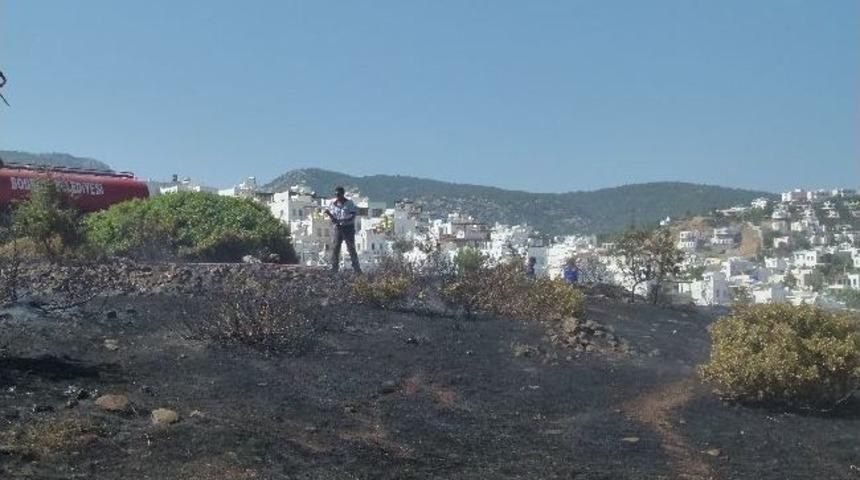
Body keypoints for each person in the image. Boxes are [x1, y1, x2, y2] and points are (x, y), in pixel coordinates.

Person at [325, 186, 362, 274]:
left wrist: (345, 221)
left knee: (351, 248)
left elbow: (353, 215)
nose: (337, 196)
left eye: (339, 194)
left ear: (342, 194)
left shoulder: (349, 203)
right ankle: (334, 268)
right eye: (336, 194)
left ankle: (356, 269)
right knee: (335, 247)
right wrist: (330, 216)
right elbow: (333, 217)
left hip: (348, 228)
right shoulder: (333, 204)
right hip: (337, 228)